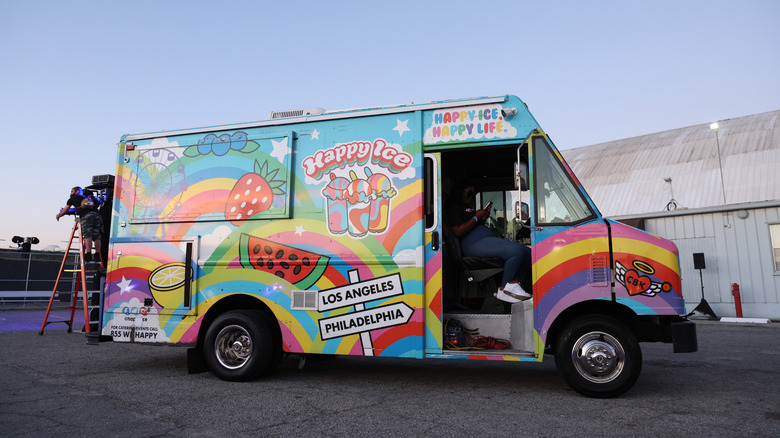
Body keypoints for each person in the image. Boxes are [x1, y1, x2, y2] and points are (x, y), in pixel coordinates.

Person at [448, 181, 531, 303]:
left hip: (483, 240)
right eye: (469, 193)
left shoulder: (468, 208)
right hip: (472, 244)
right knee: (516, 251)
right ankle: (504, 289)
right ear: (459, 192)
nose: (471, 197)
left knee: (527, 252)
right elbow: (457, 231)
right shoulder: (454, 207)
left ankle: (515, 283)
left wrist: (481, 217)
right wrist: (476, 217)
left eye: (473, 194)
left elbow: (473, 223)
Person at [56, 186, 103, 262]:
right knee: (97, 236)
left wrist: (58, 215)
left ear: (77, 191)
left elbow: (65, 210)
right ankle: (97, 255)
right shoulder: (88, 198)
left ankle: (88, 254)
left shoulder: (72, 198)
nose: (71, 193)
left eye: (72, 191)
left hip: (87, 216)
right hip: (97, 216)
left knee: (88, 235)